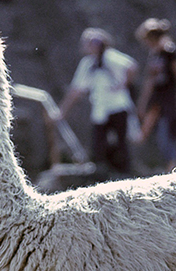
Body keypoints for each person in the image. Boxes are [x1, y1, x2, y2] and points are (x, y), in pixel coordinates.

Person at [57, 28, 138, 175]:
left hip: (118, 106)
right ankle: (102, 174)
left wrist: (123, 85)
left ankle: (125, 173)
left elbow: (131, 66)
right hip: (100, 109)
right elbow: (76, 89)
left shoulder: (111, 57)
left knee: (121, 143)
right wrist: (63, 110)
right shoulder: (88, 64)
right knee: (98, 144)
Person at [135, 18, 176, 172]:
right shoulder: (154, 55)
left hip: (170, 99)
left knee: (168, 134)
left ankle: (173, 167)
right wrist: (143, 103)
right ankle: (169, 166)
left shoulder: (169, 52)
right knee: (161, 136)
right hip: (158, 99)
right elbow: (150, 81)